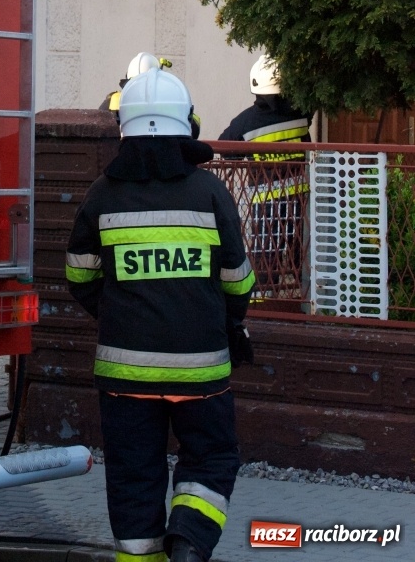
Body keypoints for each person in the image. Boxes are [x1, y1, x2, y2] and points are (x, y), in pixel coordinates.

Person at [67, 66, 255, 562]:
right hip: (202, 368)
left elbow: (79, 276)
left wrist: (114, 311)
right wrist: (226, 321)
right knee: (212, 457)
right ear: (186, 126)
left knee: (133, 472)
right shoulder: (210, 193)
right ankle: (189, 542)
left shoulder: (101, 194)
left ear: (124, 128)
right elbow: (239, 280)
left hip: (123, 372)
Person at [219, 55, 310, 299]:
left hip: (266, 199)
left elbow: (225, 147)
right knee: (299, 247)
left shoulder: (246, 122)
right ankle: (304, 295)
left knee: (266, 248)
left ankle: (264, 296)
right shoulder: (300, 112)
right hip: (300, 196)